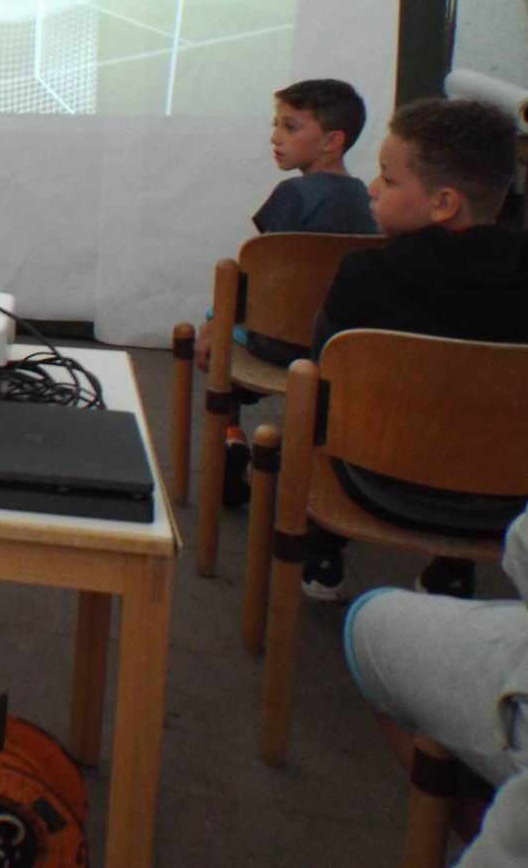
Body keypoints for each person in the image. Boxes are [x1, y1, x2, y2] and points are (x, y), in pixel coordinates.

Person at [302, 97, 528, 603]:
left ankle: (322, 542)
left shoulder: (365, 275)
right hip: (512, 502)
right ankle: (453, 568)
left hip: (377, 484)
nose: (372, 188)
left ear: (444, 203)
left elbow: (323, 384)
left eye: (388, 179)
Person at [194, 78, 379, 505]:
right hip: (338, 349)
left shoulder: (293, 193)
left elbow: (262, 278)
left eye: (290, 127)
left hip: (276, 344)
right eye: (275, 125)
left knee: (220, 335)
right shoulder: (366, 200)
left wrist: (214, 321)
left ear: (332, 141)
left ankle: (230, 437)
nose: (275, 137)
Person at [342, 503, 528, 866]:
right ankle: (452, 568)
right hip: (489, 510)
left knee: (368, 629)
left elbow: (521, 544)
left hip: (379, 494)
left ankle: (319, 549)